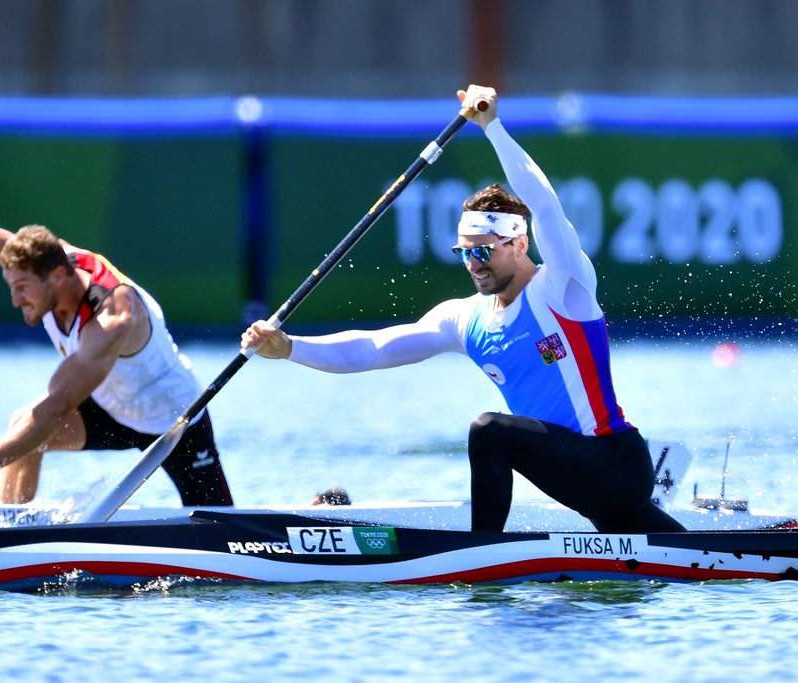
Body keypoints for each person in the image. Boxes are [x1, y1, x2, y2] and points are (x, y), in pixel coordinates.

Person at [241, 85, 685, 534]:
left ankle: (480, 550)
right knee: (682, 549)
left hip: (615, 462)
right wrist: (291, 347)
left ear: (518, 243)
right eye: (464, 253)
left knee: (489, 429)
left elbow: (547, 207)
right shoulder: (464, 318)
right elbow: (372, 349)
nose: (473, 265)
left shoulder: (562, 287)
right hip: (582, 483)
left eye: (484, 252)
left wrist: (491, 127)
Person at [0, 163, 234, 507]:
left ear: (58, 276)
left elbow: (57, 406)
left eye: (23, 289)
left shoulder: (114, 315)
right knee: (23, 428)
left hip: (172, 418)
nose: (15, 300)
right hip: (110, 409)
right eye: (11, 288)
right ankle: (6, 530)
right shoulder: (42, 260)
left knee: (222, 523)